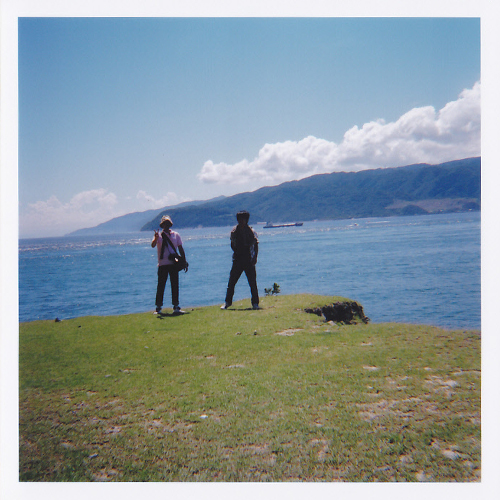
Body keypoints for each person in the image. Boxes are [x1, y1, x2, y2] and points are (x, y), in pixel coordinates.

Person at [221, 210, 260, 310]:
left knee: (252, 283)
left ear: (246, 220)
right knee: (231, 282)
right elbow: (232, 244)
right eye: (239, 219)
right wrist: (236, 252)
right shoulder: (234, 231)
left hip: (249, 259)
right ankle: (227, 302)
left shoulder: (251, 231)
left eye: (243, 219)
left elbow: (256, 245)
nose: (241, 221)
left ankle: (255, 303)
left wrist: (255, 257)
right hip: (237, 259)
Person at [151, 215, 188, 314]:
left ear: (170, 224)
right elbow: (153, 245)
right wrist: (155, 238)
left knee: (175, 285)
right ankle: (158, 308)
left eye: (168, 223)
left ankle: (176, 307)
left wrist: (184, 261)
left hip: (173, 264)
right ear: (162, 225)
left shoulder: (176, 235)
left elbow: (180, 248)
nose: (166, 225)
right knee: (161, 286)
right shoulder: (159, 236)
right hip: (162, 264)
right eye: (164, 223)